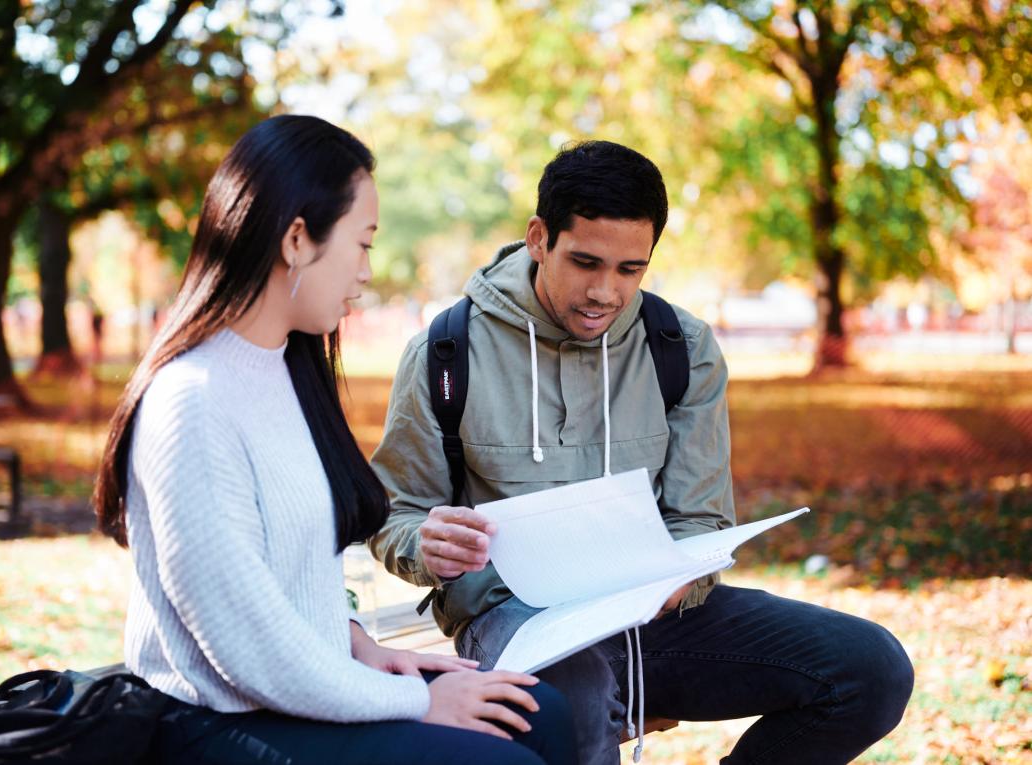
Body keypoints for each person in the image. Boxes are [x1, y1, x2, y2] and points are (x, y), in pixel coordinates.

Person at [369, 140, 914, 765]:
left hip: (654, 616)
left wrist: (681, 576)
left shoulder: (679, 346)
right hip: (514, 623)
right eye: (586, 262)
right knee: (575, 699)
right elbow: (395, 514)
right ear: (539, 237)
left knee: (870, 670)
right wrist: (427, 545)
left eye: (631, 269)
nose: (606, 291)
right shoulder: (445, 351)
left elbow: (701, 521)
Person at [92, 115, 576, 765]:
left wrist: (355, 641)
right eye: (363, 243)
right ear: (297, 239)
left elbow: (296, 561)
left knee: (539, 712)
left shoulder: (287, 368)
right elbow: (248, 648)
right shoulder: (191, 401)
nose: (368, 272)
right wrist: (417, 700)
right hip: (212, 721)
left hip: (297, 687)